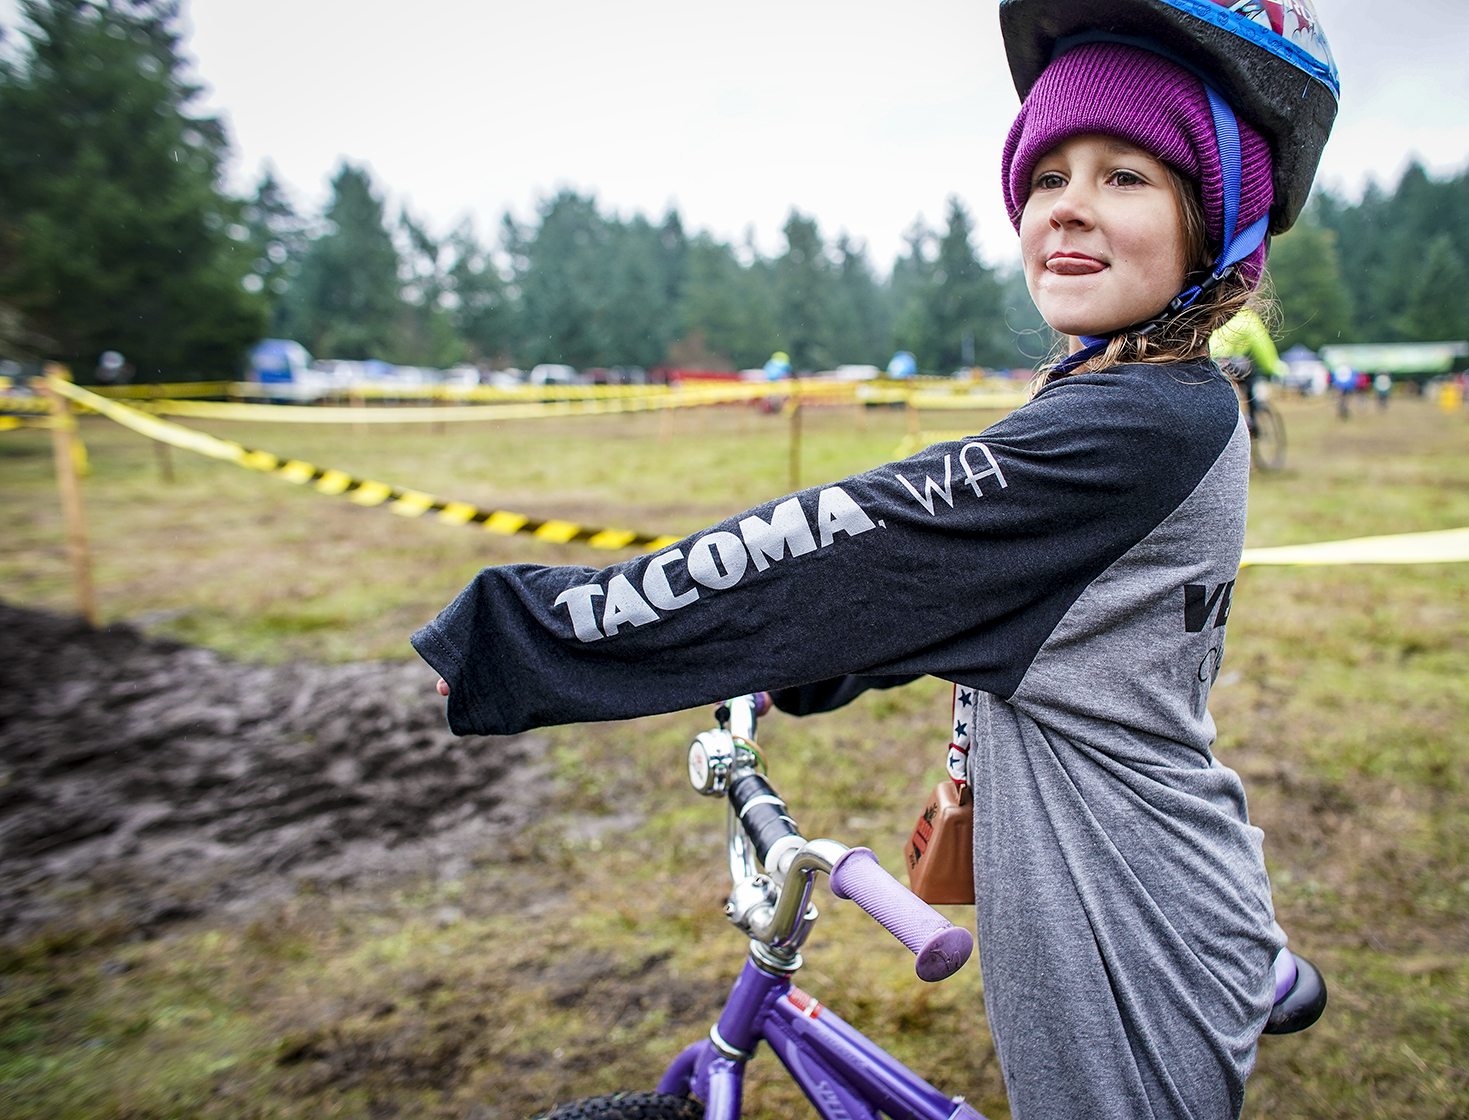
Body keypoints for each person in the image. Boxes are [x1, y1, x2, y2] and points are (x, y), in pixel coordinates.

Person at [412, 2, 1340, 1117]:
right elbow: (959, 585)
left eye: (1126, 176)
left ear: (1215, 217)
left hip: (1130, 928)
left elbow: (856, 546)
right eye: (1045, 177)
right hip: (1164, 867)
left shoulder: (1139, 425)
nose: (1069, 209)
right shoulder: (1155, 396)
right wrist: (798, 668)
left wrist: (533, 634)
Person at [1211, 305, 1284, 433]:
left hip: (1205, 355)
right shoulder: (1248, 317)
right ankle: (1252, 419)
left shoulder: (1220, 310)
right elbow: (1263, 348)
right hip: (1222, 357)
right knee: (1251, 373)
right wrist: (1275, 369)